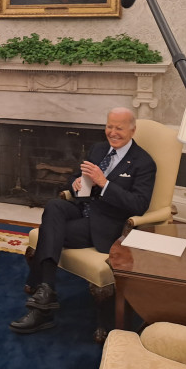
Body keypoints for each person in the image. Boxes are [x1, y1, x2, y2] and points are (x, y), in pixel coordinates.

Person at [9, 107, 156, 334]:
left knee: (50, 231)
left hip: (107, 223)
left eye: (119, 128)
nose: (113, 132)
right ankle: (47, 291)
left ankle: (42, 304)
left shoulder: (144, 162)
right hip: (82, 208)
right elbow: (72, 178)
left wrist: (104, 183)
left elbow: (138, 204)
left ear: (132, 130)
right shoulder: (98, 149)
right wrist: (76, 183)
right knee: (55, 205)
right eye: (109, 126)